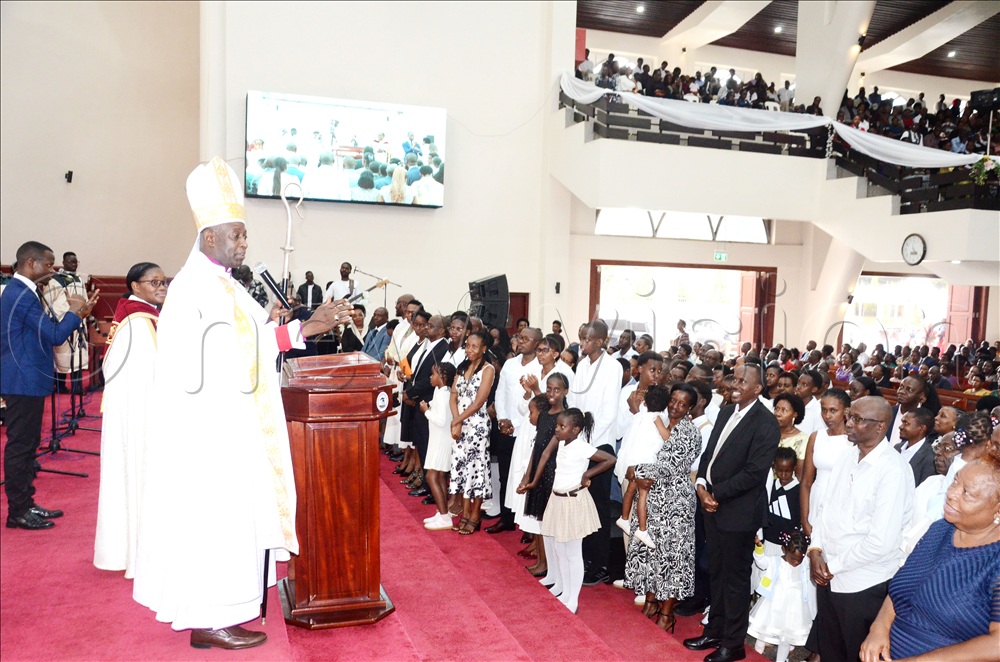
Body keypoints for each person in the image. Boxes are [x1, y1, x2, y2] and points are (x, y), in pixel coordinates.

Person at [132, 157, 351, 650]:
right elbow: (216, 357)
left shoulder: (225, 285)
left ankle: (227, 611)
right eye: (237, 235)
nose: (244, 243)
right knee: (218, 520)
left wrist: (306, 327)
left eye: (246, 235)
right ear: (209, 237)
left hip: (237, 424)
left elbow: (254, 338)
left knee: (237, 516)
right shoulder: (192, 289)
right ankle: (211, 619)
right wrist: (293, 331)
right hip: (212, 430)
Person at [860, 445, 1000, 662]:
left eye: (967, 493)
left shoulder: (994, 560)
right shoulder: (939, 529)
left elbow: (997, 645)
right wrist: (879, 627)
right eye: (955, 481)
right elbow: (903, 589)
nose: (951, 494)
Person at [685, 364, 780, 662]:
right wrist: (701, 484)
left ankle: (734, 644)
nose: (735, 384)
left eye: (743, 381)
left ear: (757, 389)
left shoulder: (766, 423)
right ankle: (715, 631)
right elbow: (709, 453)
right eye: (734, 379)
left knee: (736, 581)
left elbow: (754, 473)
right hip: (711, 504)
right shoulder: (727, 410)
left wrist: (716, 493)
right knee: (716, 572)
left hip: (738, 512)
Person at [807, 396, 914, 662]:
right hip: (829, 572)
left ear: (880, 427)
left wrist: (832, 566)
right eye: (849, 417)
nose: (849, 424)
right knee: (831, 651)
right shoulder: (847, 455)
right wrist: (816, 549)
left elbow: (881, 542)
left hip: (863, 583)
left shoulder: (893, 470)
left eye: (857, 419)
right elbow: (825, 509)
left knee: (855, 654)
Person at [1, 241, 98, 530]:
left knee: (28, 444)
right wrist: (75, 313)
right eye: (49, 264)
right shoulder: (20, 294)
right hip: (22, 379)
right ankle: (18, 512)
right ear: (30, 263)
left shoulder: (23, 292)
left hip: (26, 379)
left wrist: (75, 314)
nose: (52, 270)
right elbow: (54, 334)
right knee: (21, 446)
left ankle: (26, 503)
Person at [93, 262, 167, 575]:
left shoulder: (141, 315)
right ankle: (142, 553)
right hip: (140, 414)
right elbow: (150, 373)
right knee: (139, 474)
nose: (161, 287)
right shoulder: (138, 322)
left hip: (139, 408)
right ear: (136, 286)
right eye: (154, 282)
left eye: (164, 281)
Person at [623, 383, 701, 633]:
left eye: (682, 403)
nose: (675, 406)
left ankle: (667, 614)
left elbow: (672, 467)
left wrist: (637, 471)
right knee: (650, 554)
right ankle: (650, 601)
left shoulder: (689, 432)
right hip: (653, 499)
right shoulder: (661, 423)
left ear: (690, 408)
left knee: (672, 558)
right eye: (673, 400)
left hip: (676, 504)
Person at [523, 408, 615, 614]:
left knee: (573, 552)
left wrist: (588, 474)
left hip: (573, 502)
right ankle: (563, 589)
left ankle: (573, 598)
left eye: (561, 427)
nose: (557, 429)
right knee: (559, 549)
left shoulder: (582, 447)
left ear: (575, 430)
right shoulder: (564, 442)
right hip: (557, 500)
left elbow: (610, 459)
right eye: (557, 425)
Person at [569, 320, 623, 586]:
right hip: (582, 441)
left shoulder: (613, 367)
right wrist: (577, 439)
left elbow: (608, 412)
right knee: (581, 504)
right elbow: (577, 404)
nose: (584, 343)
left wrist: (589, 444)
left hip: (601, 445)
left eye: (588, 339)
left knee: (599, 507)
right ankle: (585, 557)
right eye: (582, 339)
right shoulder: (581, 365)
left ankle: (600, 563)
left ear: (601, 341)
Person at [520, 372, 569, 578]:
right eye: (548, 389)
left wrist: (535, 478)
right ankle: (541, 561)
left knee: (548, 522)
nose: (551, 393)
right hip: (538, 470)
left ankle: (550, 564)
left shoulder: (564, 417)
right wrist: (527, 475)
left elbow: (549, 451)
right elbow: (537, 447)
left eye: (557, 390)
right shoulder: (544, 414)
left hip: (551, 472)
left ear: (565, 391)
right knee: (539, 521)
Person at [614, 385, 674, 549]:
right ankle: (642, 529)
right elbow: (667, 438)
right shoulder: (658, 418)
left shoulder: (639, 416)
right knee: (643, 497)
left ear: (645, 403)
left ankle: (624, 518)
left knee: (629, 492)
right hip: (645, 465)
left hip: (631, 463)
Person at [449, 330, 496, 535]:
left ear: (484, 348)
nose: (469, 349)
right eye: (467, 345)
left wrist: (457, 421)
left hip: (477, 426)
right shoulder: (461, 368)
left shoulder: (488, 369)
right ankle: (465, 513)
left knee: (476, 471)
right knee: (462, 469)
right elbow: (453, 395)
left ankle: (475, 515)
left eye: (474, 346)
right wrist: (456, 421)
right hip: (460, 425)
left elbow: (478, 403)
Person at [748, 530, 817, 662]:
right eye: (793, 558)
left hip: (795, 607)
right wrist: (758, 547)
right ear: (784, 550)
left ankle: (781, 660)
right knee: (764, 630)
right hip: (774, 603)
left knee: (786, 637)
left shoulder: (804, 564)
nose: (796, 562)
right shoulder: (775, 562)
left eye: (800, 559)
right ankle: (757, 654)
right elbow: (761, 562)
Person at [799, 388, 851, 536]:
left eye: (833, 410)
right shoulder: (816, 437)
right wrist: (804, 519)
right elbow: (806, 482)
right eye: (824, 410)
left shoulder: (853, 440)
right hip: (816, 498)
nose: (827, 416)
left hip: (841, 504)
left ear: (846, 411)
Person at [421, 362, 457, 530]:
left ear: (442, 377)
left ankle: (444, 517)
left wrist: (426, 411)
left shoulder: (444, 395)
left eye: (433, 374)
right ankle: (443, 512)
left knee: (431, 476)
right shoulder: (440, 391)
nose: (430, 377)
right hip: (438, 438)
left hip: (441, 440)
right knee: (441, 476)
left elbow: (442, 421)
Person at [773, 393, 809, 467]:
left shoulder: (803, 439)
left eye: (784, 410)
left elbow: (800, 472)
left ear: (795, 414)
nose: (778, 414)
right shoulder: (768, 434)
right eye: (777, 409)